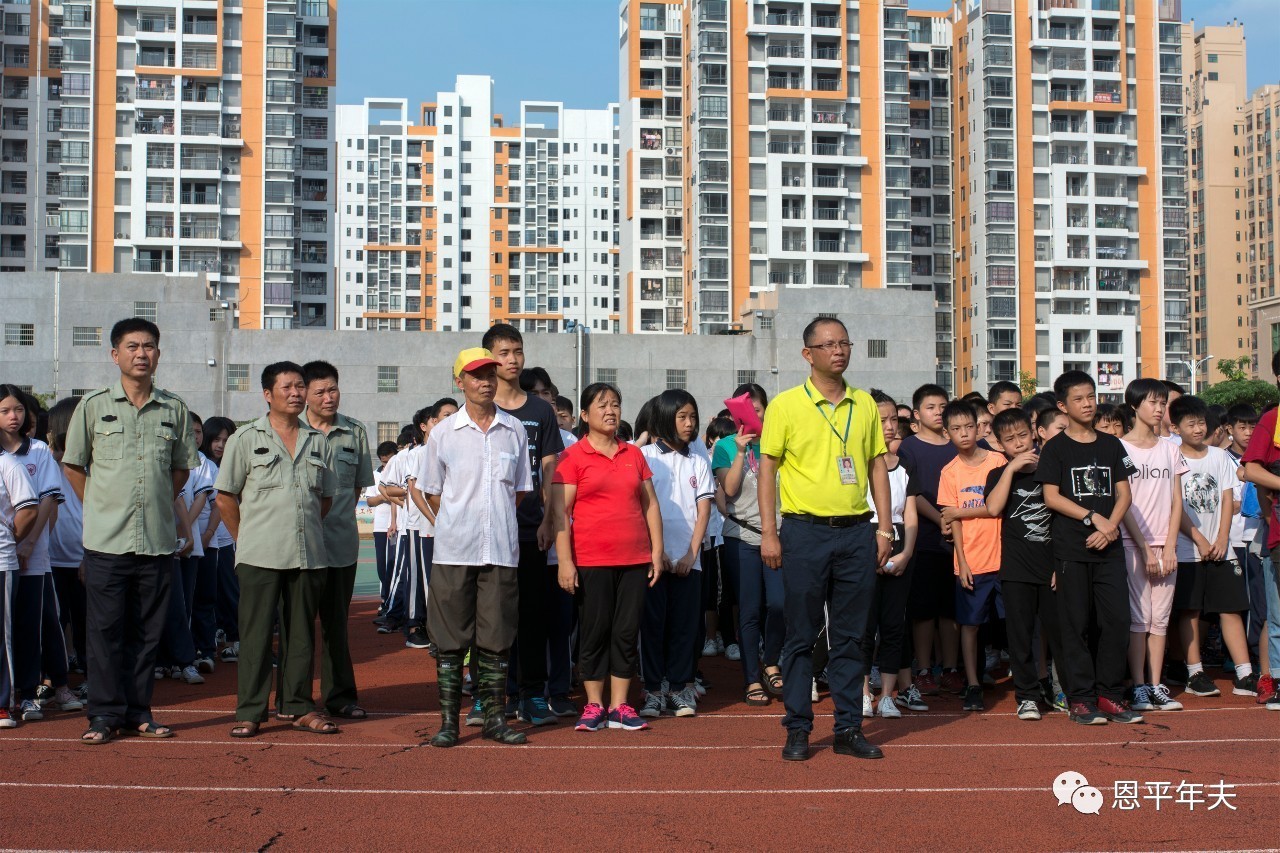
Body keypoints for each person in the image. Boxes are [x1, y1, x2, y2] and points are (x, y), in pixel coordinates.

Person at [759, 316, 892, 762]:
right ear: (808, 354)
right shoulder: (785, 405)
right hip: (803, 531)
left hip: (856, 531)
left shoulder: (864, 404)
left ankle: (848, 728)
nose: (839, 350)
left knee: (852, 637)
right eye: (828, 343)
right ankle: (798, 728)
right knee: (801, 635)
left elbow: (877, 466)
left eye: (844, 342)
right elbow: (768, 471)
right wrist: (770, 534)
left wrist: (885, 527)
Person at [62, 319, 198, 744]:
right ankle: (102, 715)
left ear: (159, 354)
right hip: (106, 542)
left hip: (156, 541)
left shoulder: (173, 408)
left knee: (146, 633)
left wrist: (156, 502)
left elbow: (180, 470)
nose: (142, 353)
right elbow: (73, 464)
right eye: (132, 346)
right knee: (103, 632)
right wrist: (102, 505)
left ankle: (139, 712)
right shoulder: (94, 406)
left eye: (150, 346)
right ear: (115, 354)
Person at [214, 362, 338, 739]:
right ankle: (251, 710)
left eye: (301, 386)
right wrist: (246, 537)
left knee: (300, 634)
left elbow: (326, 499)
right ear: (268, 394)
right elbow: (225, 498)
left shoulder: (318, 441)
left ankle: (297, 706)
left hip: (307, 554)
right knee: (254, 636)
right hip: (259, 555)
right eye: (287, 387)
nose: (297, 393)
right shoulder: (245, 438)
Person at [422, 348, 533, 748]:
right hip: (453, 550)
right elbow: (432, 492)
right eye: (475, 375)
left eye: (490, 373)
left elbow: (518, 492)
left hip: (500, 550)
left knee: (497, 637)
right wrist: (457, 521)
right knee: (450, 639)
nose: (485, 381)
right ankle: (449, 722)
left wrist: (492, 520)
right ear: (460, 382)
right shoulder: (443, 433)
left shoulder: (514, 431)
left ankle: (494, 719)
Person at [552, 383, 664, 732]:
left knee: (626, 632)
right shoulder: (572, 457)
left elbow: (650, 505)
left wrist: (656, 552)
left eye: (615, 404)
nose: (610, 411)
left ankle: (620, 706)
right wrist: (566, 562)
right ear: (585, 415)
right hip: (591, 560)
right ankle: (594, 705)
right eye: (602, 406)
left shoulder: (633, 454)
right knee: (594, 631)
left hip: (633, 559)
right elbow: (560, 514)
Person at [1037, 370, 1138, 725]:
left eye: (1091, 396)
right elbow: (1051, 497)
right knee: (1074, 624)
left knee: (1117, 621)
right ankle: (1080, 697)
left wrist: (1109, 526)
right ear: (1063, 406)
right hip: (1072, 550)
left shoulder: (1111, 444)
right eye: (1078, 399)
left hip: (1109, 548)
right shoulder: (1056, 448)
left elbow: (1124, 492)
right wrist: (1093, 518)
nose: (1087, 403)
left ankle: (1109, 693)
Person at [484, 325, 565, 726]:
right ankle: (493, 693)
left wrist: (551, 517)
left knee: (533, 615)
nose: (512, 359)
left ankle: (532, 694)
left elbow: (550, 467)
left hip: (532, 527)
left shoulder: (539, 410)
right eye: (503, 352)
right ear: (488, 357)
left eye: (517, 351)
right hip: (489, 529)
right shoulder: (481, 408)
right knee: (492, 616)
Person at [302, 361, 375, 720]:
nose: (329, 397)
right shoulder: (291, 430)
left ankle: (340, 696)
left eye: (333, 389)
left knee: (336, 625)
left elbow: (359, 485)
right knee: (295, 625)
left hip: (340, 544)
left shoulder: (354, 432)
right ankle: (294, 698)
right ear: (305, 394)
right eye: (320, 391)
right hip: (297, 546)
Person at [1169, 394, 1255, 697]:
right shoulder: (1171, 458)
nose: (1197, 428)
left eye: (1201, 422)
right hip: (1187, 548)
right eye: (1190, 424)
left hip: (1222, 547)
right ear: (1176, 427)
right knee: (1190, 610)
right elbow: (1174, 507)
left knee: (1230, 609)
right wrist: (1201, 540)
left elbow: (1230, 501)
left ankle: (1245, 674)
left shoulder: (1219, 457)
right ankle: (1194, 673)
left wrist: (1220, 539)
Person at [638, 390, 713, 719]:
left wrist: (689, 554)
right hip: (653, 560)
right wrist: (658, 552)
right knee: (653, 625)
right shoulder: (644, 457)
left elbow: (704, 510)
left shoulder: (698, 460)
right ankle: (654, 689)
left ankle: (682, 688)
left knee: (685, 626)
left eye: (692, 417)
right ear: (665, 418)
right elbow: (640, 508)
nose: (689, 423)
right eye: (681, 416)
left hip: (688, 560)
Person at [985, 408, 1061, 720]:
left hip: (1052, 565)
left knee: (1060, 633)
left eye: (1022, 435)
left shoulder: (1053, 468)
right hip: (1016, 567)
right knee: (1020, 634)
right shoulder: (997, 474)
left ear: (1033, 433)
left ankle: (1062, 689)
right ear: (1000, 445)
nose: (1018, 443)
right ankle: (1027, 695)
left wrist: (1060, 564)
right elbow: (992, 508)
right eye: (1010, 440)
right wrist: (1012, 468)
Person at [713, 384, 784, 707]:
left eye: (759, 410)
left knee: (780, 604)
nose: (754, 416)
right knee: (750, 608)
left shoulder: (780, 440)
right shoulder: (726, 445)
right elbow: (728, 489)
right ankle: (752, 678)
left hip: (780, 535)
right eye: (747, 411)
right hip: (741, 536)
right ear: (734, 415)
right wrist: (741, 451)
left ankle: (771, 661)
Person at [1117, 379, 1185, 712]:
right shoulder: (1120, 449)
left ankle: (1157, 685)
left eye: (1162, 404)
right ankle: (1139, 686)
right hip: (1132, 544)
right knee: (1137, 619)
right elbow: (1124, 502)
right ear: (1134, 406)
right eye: (1152, 403)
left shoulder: (1171, 448)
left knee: (1160, 619)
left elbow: (1177, 500)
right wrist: (1143, 548)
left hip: (1165, 544)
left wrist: (1170, 546)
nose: (1158, 410)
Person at [0, 386, 66, 723]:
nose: (14, 417)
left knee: (29, 624)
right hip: (7, 553)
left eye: (19, 410)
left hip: (31, 554)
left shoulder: (37, 450)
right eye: (6, 410)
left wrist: (27, 543)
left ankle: (28, 694)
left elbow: (48, 500)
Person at [936, 399, 1007, 713]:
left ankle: (1031, 683)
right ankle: (974, 683)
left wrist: (961, 512)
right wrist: (962, 562)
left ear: (979, 427)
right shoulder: (949, 472)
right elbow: (952, 521)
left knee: (1016, 623)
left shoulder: (998, 461)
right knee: (970, 625)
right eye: (956, 429)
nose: (964, 433)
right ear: (947, 433)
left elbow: (1002, 507)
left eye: (969, 426)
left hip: (1007, 558)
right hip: (973, 562)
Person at [860, 390, 921, 719]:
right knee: (863, 625)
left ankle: (887, 695)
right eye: (881, 420)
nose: (889, 426)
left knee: (894, 624)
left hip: (898, 544)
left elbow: (910, 516)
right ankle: (863, 693)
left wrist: (907, 553)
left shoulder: (905, 465)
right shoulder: (855, 460)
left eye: (893, 419)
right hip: (864, 541)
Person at [898, 383, 960, 695]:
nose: (938, 412)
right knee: (923, 610)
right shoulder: (910, 448)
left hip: (960, 542)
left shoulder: (958, 444)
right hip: (924, 540)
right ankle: (923, 668)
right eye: (931, 407)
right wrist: (941, 519)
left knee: (951, 610)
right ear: (917, 414)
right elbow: (913, 493)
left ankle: (949, 667)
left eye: (942, 406)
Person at [1239, 352, 1280, 710]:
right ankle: (1271, 679)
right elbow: (1249, 471)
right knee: (1277, 613)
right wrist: (1269, 515)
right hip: (1275, 534)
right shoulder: (1272, 419)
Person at [1223, 404, 1268, 689]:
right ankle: (1245, 660)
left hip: (1254, 537)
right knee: (1244, 603)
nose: (1249, 433)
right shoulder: (1222, 458)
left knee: (1258, 602)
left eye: (1253, 427)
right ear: (1229, 428)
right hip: (1235, 540)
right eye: (1242, 427)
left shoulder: (1261, 458)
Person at [46, 399, 89, 691]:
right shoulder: (46, 461)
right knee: (55, 622)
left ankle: (91, 676)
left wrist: (89, 554)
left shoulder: (92, 462)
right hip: (51, 559)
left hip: (85, 556)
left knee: (88, 623)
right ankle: (53, 678)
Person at [0, 447, 39, 727]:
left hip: (1, 559)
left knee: (2, 634)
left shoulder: (9, 463)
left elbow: (28, 509)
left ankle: (3, 703)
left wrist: (8, 539)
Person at [199, 416, 240, 663]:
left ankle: (235, 640)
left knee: (229, 590)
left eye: (226, 440)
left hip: (225, 539)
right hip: (203, 540)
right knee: (207, 594)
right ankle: (215, 635)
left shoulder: (233, 467)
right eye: (216, 439)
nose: (221, 445)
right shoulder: (201, 466)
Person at [366, 440, 399, 619]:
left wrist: (391, 495)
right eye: (383, 462)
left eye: (389, 461)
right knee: (382, 565)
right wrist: (386, 495)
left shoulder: (401, 469)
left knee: (394, 564)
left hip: (398, 525)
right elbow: (370, 501)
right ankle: (385, 599)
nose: (386, 465)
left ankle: (392, 601)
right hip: (380, 526)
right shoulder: (375, 475)